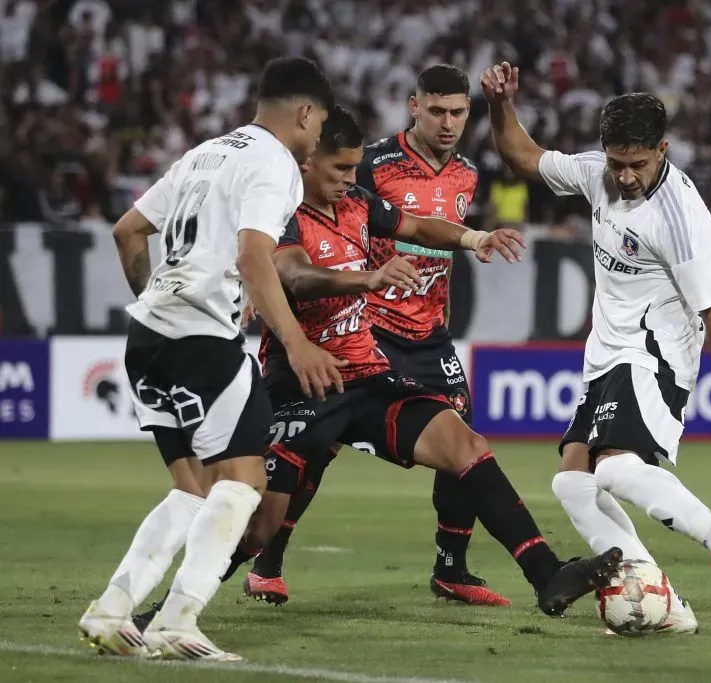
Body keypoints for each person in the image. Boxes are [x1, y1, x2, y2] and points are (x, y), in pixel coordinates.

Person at [481, 62, 711, 635]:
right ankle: (654, 593)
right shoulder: (598, 174)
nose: (627, 175)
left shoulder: (681, 221)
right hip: (605, 355)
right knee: (571, 479)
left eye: (638, 164)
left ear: (662, 149)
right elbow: (522, 155)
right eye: (617, 162)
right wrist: (499, 105)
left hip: (654, 352)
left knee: (614, 471)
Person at [78, 57, 345, 661]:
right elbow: (256, 257)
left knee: (193, 491)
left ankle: (112, 610)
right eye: (319, 122)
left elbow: (127, 230)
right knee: (246, 482)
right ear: (305, 113)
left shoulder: (203, 153)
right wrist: (297, 342)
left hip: (147, 336)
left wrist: (158, 303)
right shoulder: (276, 164)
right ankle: (178, 620)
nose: (317, 136)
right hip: (203, 341)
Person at [246, 64, 509, 608]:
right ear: (415, 107)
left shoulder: (465, 173)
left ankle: (451, 567)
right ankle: (267, 558)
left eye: (458, 112)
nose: (448, 122)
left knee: (462, 438)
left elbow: (441, 254)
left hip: (429, 332)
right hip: (372, 325)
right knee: (321, 441)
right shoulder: (375, 165)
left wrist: (446, 314)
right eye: (436, 110)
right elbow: (328, 220)